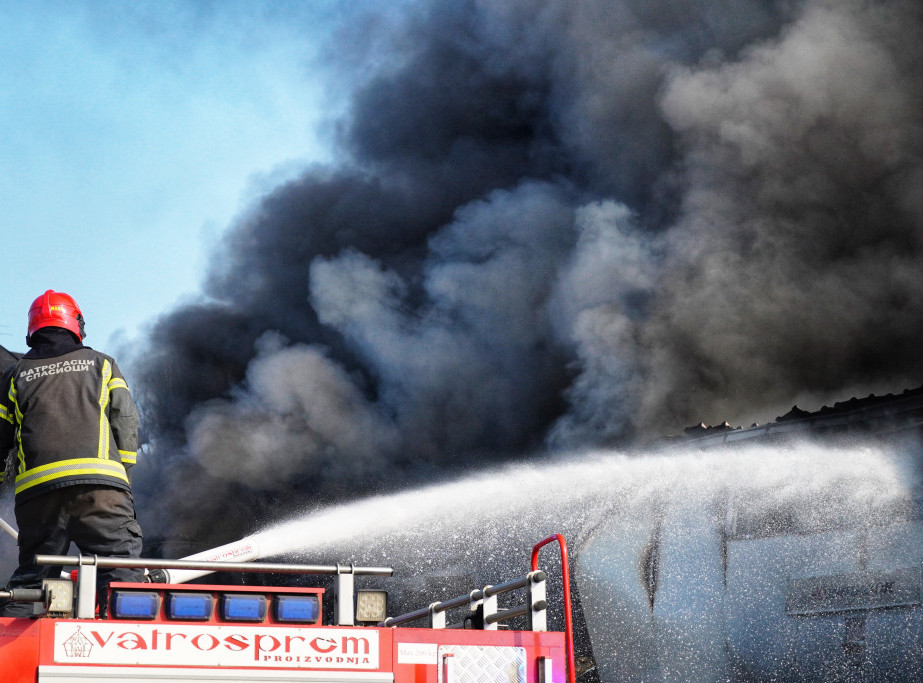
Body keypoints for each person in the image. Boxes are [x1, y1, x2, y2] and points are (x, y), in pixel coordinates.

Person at [0, 290, 144, 617]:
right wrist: (122, 478)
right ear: (77, 324)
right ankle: (123, 639)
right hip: (102, 491)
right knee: (120, 571)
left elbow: (1, 437)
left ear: (33, 329)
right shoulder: (103, 365)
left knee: (34, 582)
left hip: (38, 496)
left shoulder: (16, 375)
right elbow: (125, 421)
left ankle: (12, 640)